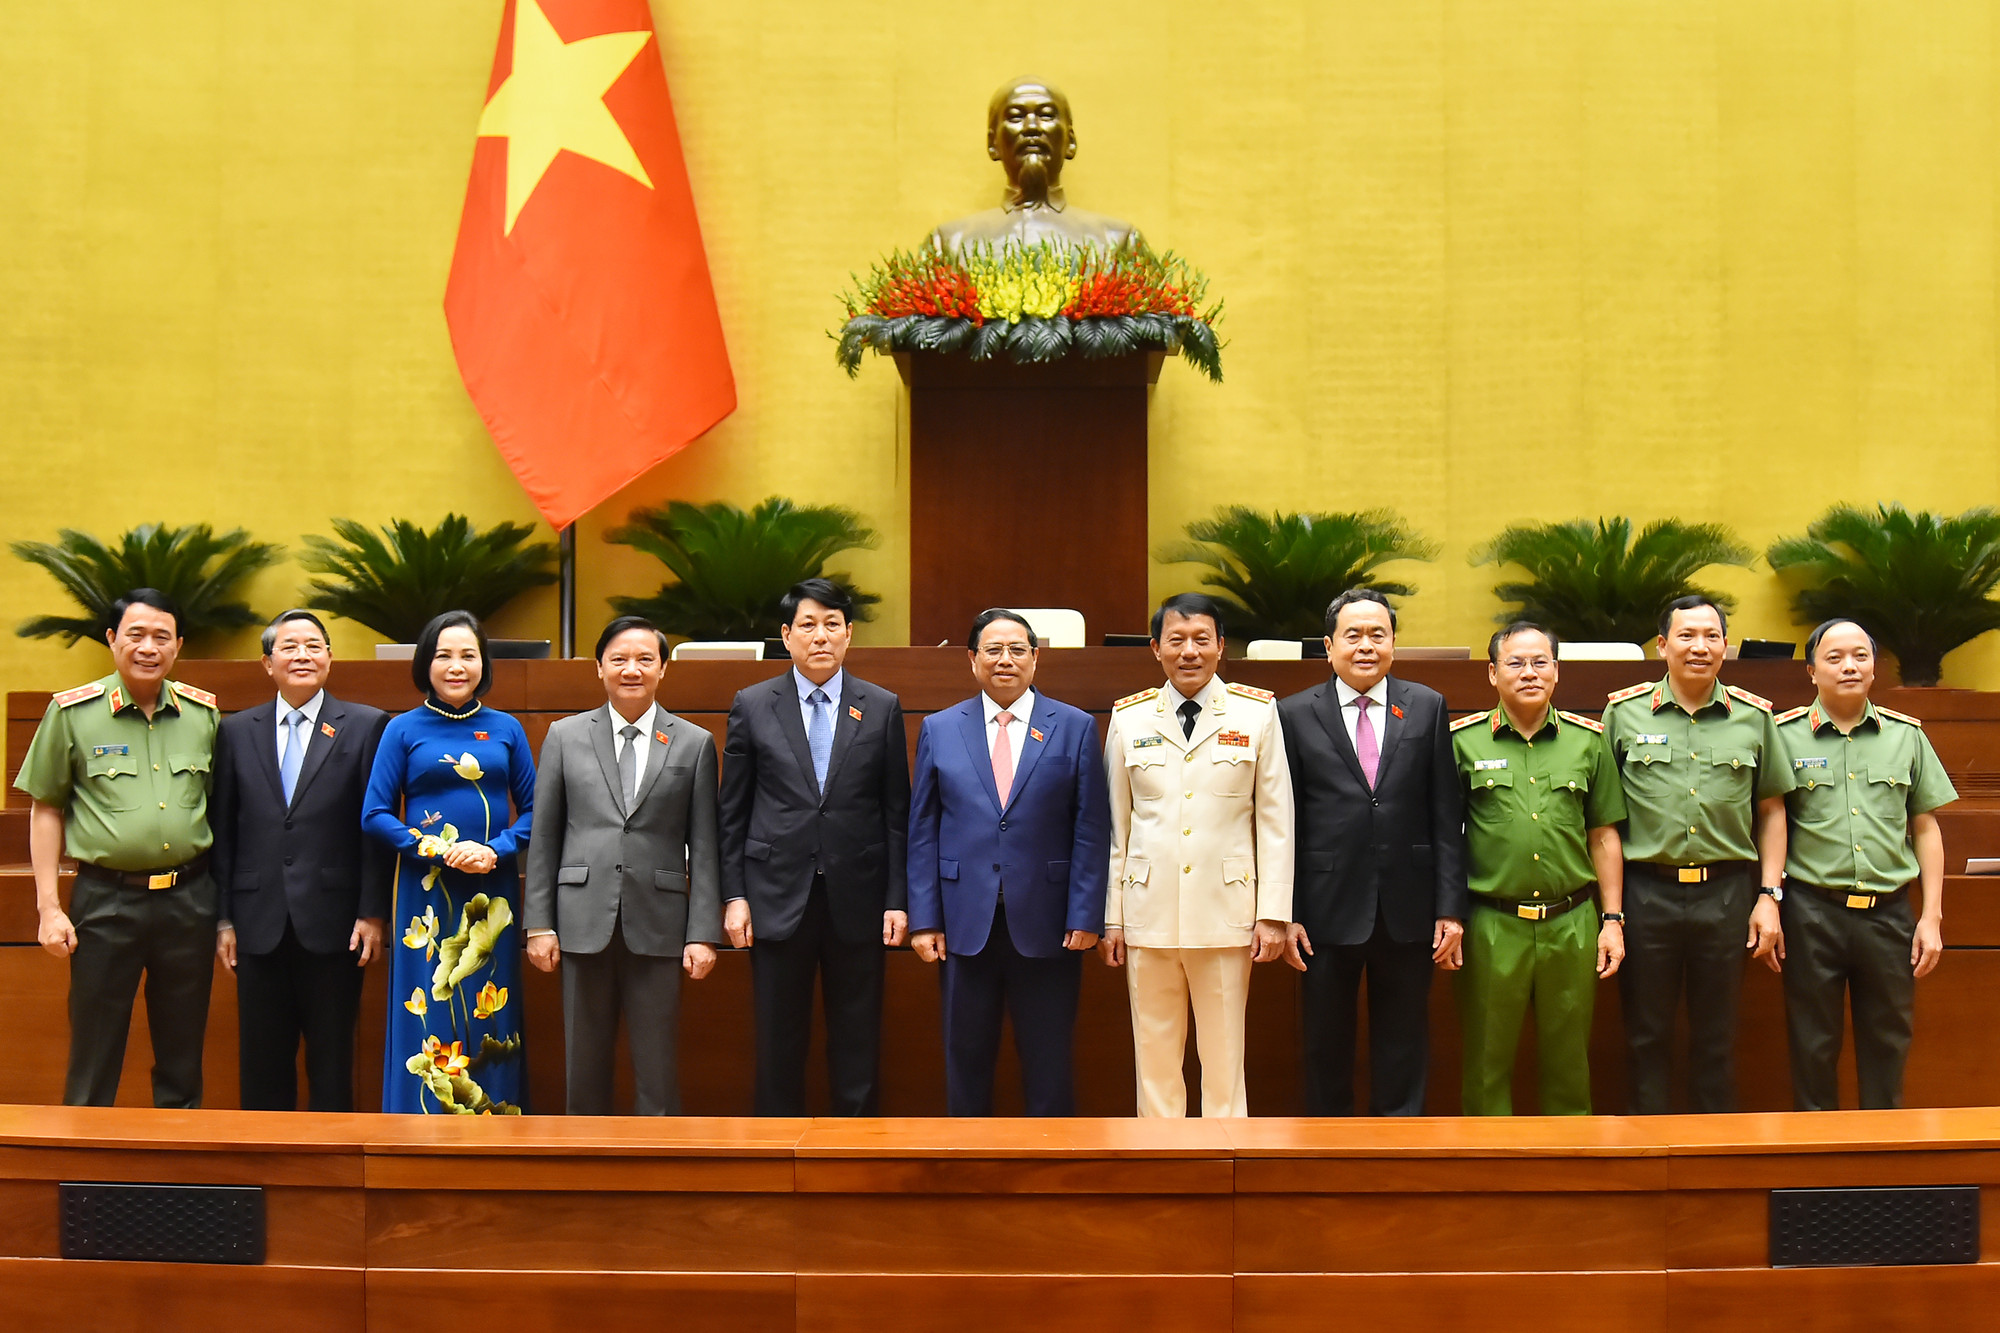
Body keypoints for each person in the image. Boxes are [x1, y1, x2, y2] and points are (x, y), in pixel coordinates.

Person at [16, 588, 221, 1107]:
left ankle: (178, 1152)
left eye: (162, 637)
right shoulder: (72, 712)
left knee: (182, 1056)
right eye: (136, 634)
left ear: (178, 645)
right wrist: (48, 908)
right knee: (95, 1052)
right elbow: (46, 808)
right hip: (107, 902)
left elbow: (218, 807)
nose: (149, 647)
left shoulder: (204, 714)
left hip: (189, 901)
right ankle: (86, 1155)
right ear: (111, 639)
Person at [718, 578, 911, 1116]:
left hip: (860, 896)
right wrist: (734, 895)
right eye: (808, 625)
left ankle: (856, 1148)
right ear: (786, 635)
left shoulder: (881, 706)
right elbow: (732, 812)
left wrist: (897, 899)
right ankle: (775, 1147)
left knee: (858, 1039)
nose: (820, 636)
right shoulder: (753, 704)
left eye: (832, 625)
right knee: (778, 1040)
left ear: (849, 634)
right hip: (775, 895)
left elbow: (896, 813)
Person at [907, 609, 1109, 1115]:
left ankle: (1052, 1155)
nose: (1005, 660)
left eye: (1017, 650)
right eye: (993, 650)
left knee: (1048, 1058)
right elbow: (923, 829)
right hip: (963, 921)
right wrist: (925, 919)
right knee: (966, 1055)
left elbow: (1090, 828)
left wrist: (1086, 915)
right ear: (972, 659)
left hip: (1049, 921)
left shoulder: (1075, 726)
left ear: (1035, 658)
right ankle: (967, 1154)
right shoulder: (939, 728)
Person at [1276, 589, 1468, 1116]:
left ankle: (1398, 1147)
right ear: (1329, 646)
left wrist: (1450, 909)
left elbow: (1445, 814)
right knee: (1325, 1047)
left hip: (1408, 907)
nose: (1366, 646)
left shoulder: (1426, 705)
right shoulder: (1293, 713)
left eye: (1377, 635)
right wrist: (1287, 912)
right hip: (1324, 909)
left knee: (1404, 1045)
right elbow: (1284, 821)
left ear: (1393, 643)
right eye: (1353, 635)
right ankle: (1328, 1148)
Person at [1102, 593, 1293, 1118]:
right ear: (1155, 648)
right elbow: (1117, 828)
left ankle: (1225, 1158)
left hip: (1227, 914)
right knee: (1155, 1060)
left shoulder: (1256, 713)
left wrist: (1273, 914)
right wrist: (1113, 918)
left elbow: (1276, 821)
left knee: (1225, 1060)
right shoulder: (1129, 717)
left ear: (1221, 646)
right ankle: (1162, 1159)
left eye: (1201, 640)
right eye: (1177, 640)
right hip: (1148, 913)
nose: (1189, 652)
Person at [523, 615, 723, 1115]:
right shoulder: (564, 736)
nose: (631, 669)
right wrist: (539, 924)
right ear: (599, 667)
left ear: (662, 669)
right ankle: (585, 1158)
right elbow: (544, 836)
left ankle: (658, 1159)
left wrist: (703, 932)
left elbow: (705, 845)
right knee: (583, 1066)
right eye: (619, 659)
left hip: (659, 922)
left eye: (644, 659)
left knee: (658, 1071)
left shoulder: (694, 742)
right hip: (580, 918)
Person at [1603, 595, 1794, 1113]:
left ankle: (1713, 1148)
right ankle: (1647, 1143)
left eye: (1712, 636)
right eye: (1686, 635)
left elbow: (1772, 811)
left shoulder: (1754, 717)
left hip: (1726, 894)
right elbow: (1604, 820)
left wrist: (1769, 895)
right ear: (1662, 645)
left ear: (1726, 646)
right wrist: (1612, 913)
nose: (1699, 646)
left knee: (1717, 1036)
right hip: (1647, 893)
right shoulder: (1623, 713)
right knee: (1646, 1035)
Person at [211, 609, 391, 1111]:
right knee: (262, 1065)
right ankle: (266, 1157)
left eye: (314, 646)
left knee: (332, 1065)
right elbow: (224, 831)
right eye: (289, 647)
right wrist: (223, 918)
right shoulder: (236, 731)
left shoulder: (366, 725)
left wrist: (372, 912)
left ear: (330, 658)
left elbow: (375, 828)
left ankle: (329, 1160)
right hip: (256, 921)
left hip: (337, 921)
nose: (302, 655)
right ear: (267, 663)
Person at [1774, 618, 1956, 1110]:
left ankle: (1882, 1146)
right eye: (1834, 658)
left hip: (1888, 914)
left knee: (1888, 1041)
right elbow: (1769, 822)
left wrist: (1931, 916)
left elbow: (1925, 827)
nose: (1849, 666)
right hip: (1812, 912)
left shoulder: (1906, 736)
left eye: (1860, 656)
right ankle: (1818, 1146)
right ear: (1812, 671)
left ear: (1875, 667)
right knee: (1812, 1043)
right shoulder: (1784, 736)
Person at [1450, 622, 1627, 1116]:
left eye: (1539, 662)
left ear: (1556, 671)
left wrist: (1612, 920)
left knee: (1570, 1063)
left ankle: (1569, 1163)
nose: (1529, 673)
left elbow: (1603, 835)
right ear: (1492, 673)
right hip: (1491, 923)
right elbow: (1445, 839)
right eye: (1515, 663)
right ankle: (1487, 1162)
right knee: (1486, 1063)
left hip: (1571, 923)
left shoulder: (1587, 741)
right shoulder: (1463, 742)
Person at [363, 611, 535, 1114]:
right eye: (444, 655)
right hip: (425, 890)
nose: (456, 666)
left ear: (484, 663)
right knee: (429, 1005)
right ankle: (419, 1127)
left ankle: (496, 1126)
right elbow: (374, 813)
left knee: (490, 1004)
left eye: (468, 655)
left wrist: (495, 850)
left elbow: (537, 811)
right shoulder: (401, 729)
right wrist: (435, 848)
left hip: (492, 886)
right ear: (425, 663)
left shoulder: (506, 728)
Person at [928, 77, 1142, 254]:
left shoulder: (1117, 241)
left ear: (1071, 141)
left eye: (1046, 115)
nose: (1031, 127)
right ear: (993, 144)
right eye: (1016, 117)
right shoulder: (949, 243)